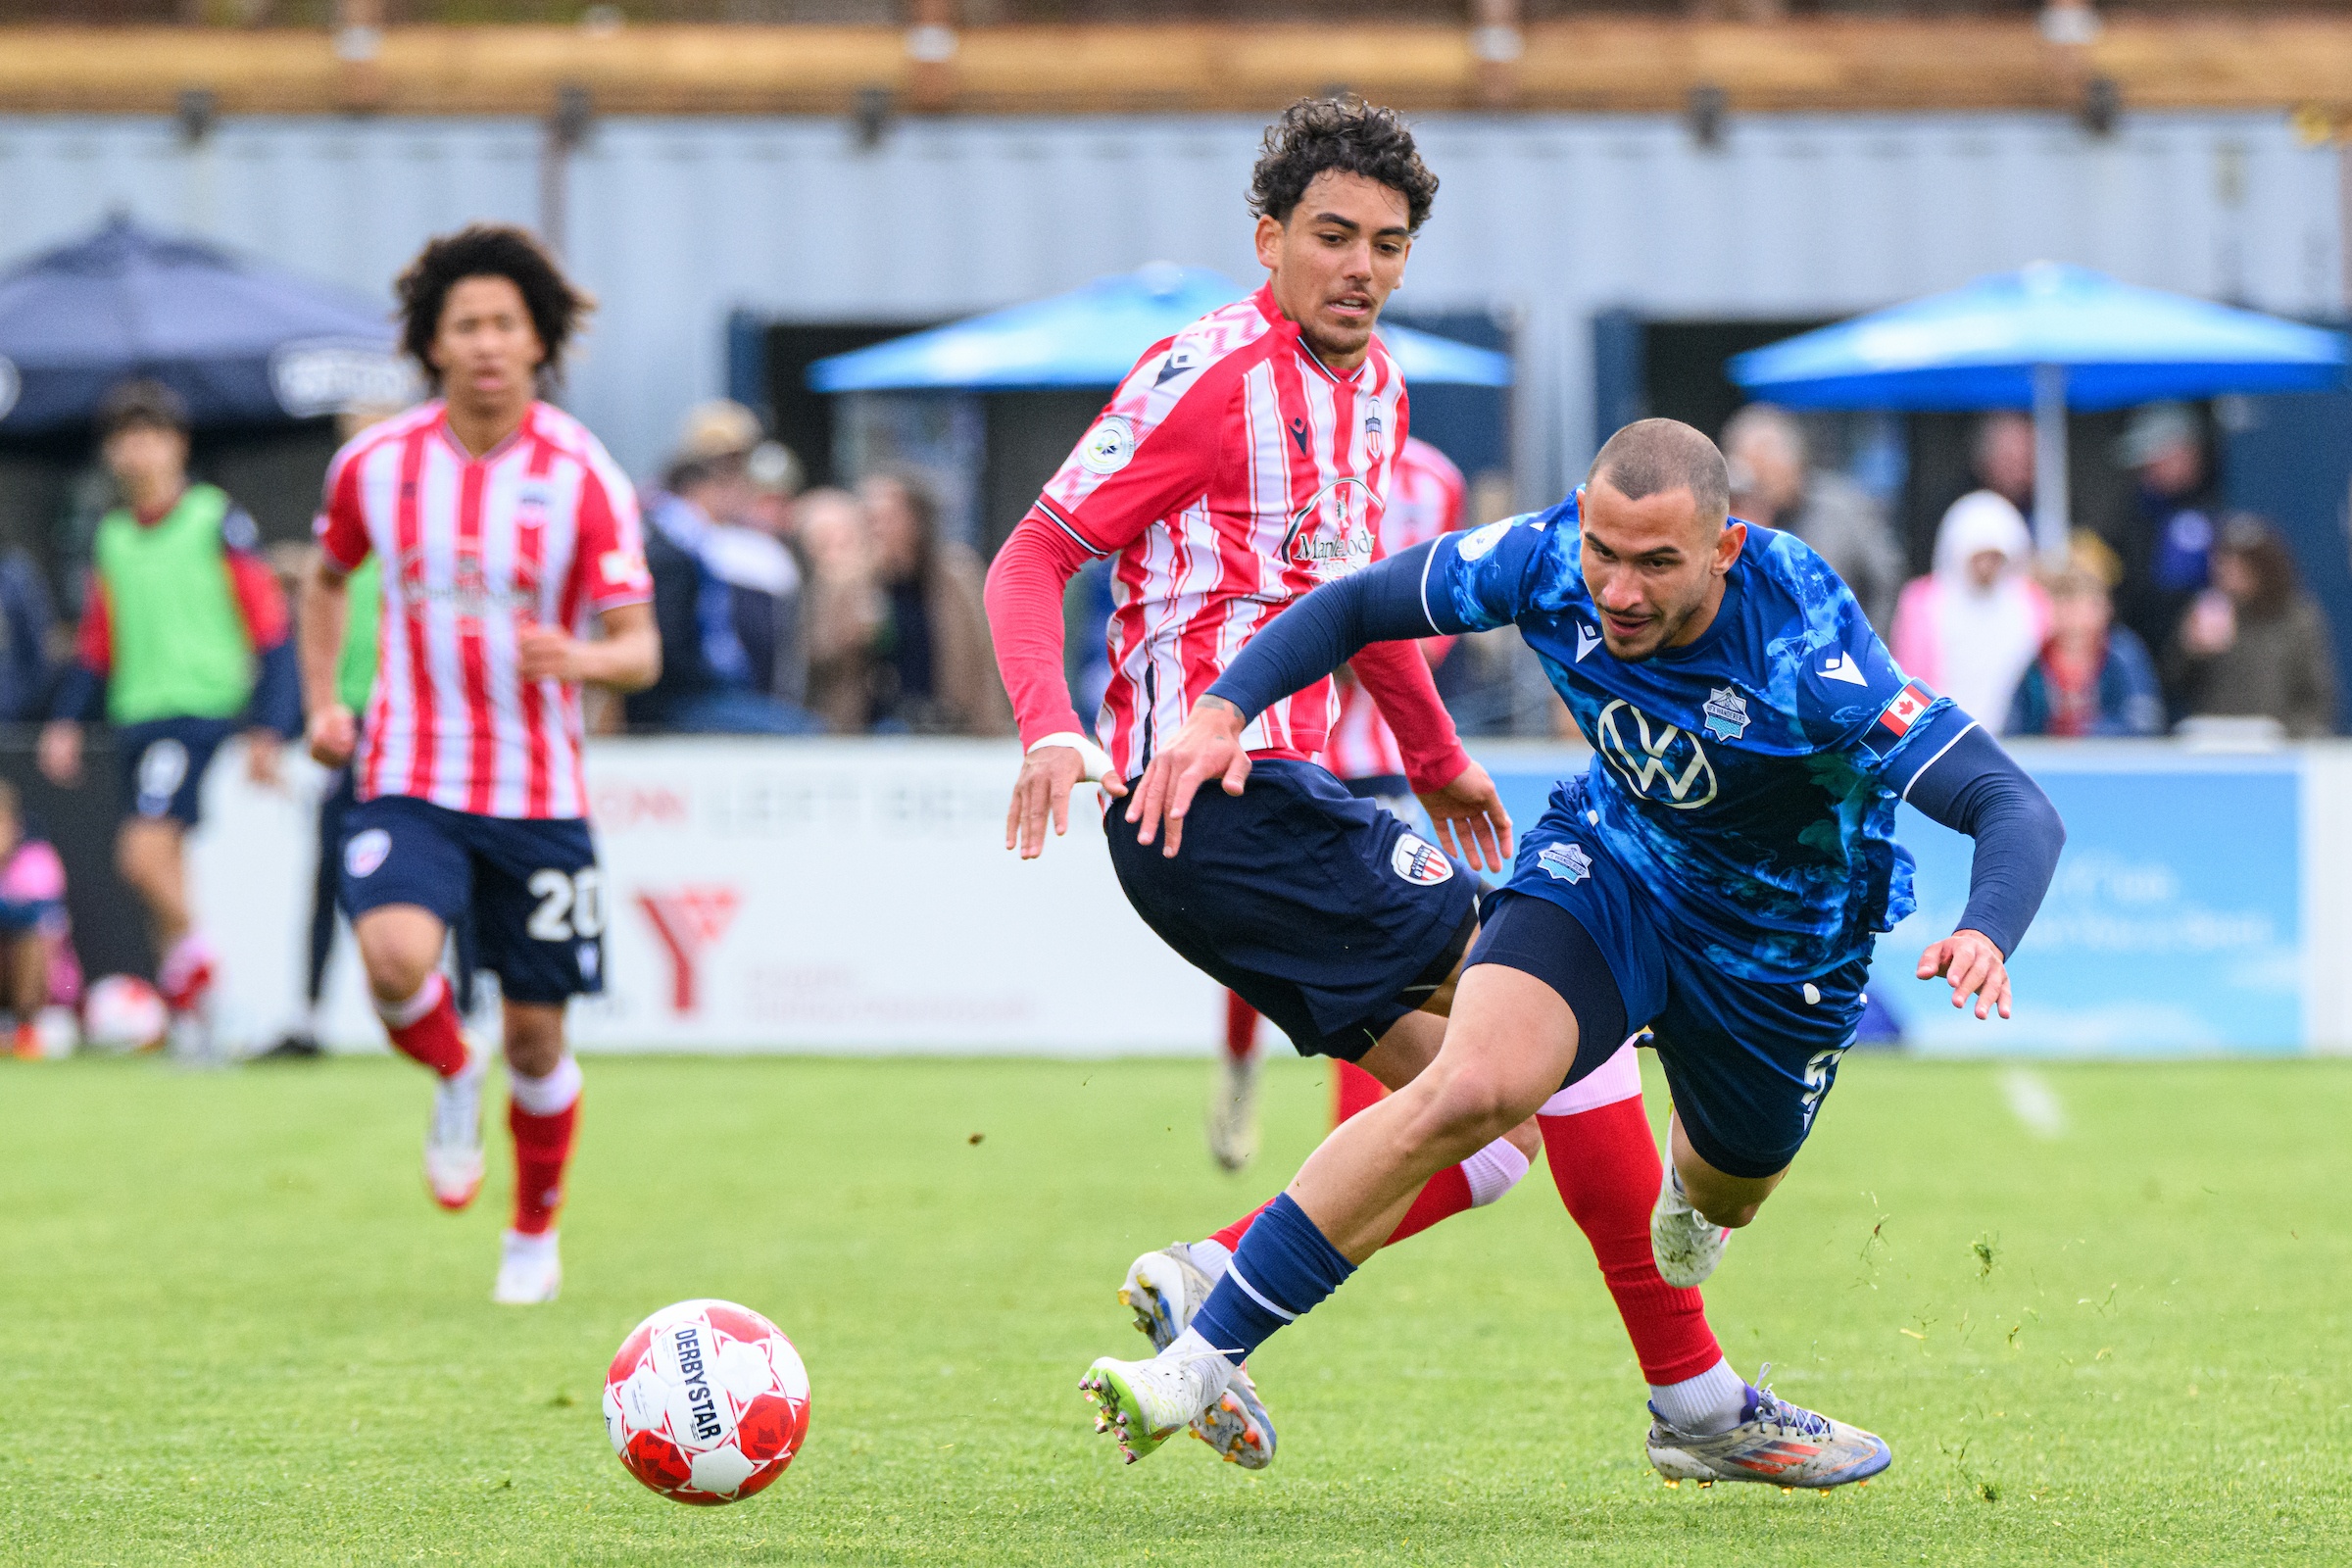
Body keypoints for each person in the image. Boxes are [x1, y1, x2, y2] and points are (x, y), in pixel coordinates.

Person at [991, 99, 1822, 1486]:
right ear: (1268, 239)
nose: (1360, 267)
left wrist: (1433, 756)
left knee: (1492, 1133)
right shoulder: (1207, 379)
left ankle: (1212, 1281)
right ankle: (1695, 1401)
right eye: (1330, 237)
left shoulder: (1376, 393)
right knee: (1569, 1017)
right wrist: (1047, 728)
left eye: (1386, 243)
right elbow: (1032, 556)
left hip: (1298, 800)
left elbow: (1354, 605)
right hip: (1213, 808)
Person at [1085, 418, 2066, 1488]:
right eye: (1605, 552)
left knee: (1725, 1195)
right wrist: (1225, 709)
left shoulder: (1808, 655)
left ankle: (1692, 1248)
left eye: (1657, 564)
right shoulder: (1548, 558)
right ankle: (1199, 1357)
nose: (1620, 590)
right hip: (1610, 872)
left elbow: (2010, 803)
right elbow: (1359, 603)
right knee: (1474, 1090)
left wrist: (1987, 926)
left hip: (1778, 958)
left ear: (1725, 549)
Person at [297, 223, 660, 1304]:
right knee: (397, 962)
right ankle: (454, 1070)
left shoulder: (584, 474)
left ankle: (532, 1233)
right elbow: (322, 580)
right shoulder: (375, 464)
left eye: (508, 323)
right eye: (468, 325)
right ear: (434, 343)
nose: (489, 343)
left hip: (540, 793)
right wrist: (324, 701)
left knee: (540, 1039)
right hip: (408, 770)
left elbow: (640, 648)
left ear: (539, 341)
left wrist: (585, 653)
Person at [1213, 432, 1467, 1172]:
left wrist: (1372, 650)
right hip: (1284, 745)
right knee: (1255, 940)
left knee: (1379, 964)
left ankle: (1348, 1153)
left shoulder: (1433, 476)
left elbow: (1441, 611)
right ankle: (1239, 1069)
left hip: (1379, 759)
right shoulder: (1287, 458)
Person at [37, 378, 300, 1055]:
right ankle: (196, 1031)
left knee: (140, 857)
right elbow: (99, 641)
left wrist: (271, 724)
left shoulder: (215, 520)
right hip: (136, 717)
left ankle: (222, 996)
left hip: (197, 712)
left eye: (149, 436)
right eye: (124, 439)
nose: (137, 453)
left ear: (177, 446)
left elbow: (269, 625)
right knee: (170, 871)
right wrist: (67, 719)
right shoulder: (115, 538)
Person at [626, 436, 817, 735]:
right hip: (675, 704)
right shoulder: (670, 552)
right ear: (702, 489)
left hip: (695, 692)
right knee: (800, 731)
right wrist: (713, 679)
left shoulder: (687, 544)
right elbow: (670, 648)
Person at [1721, 404, 1903, 633]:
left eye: (1766, 469)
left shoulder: (1842, 507)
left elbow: (1885, 579)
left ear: (1794, 462)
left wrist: (1868, 644)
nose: (1761, 483)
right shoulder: (1738, 515)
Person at [856, 469, 1010, 735]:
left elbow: (985, 655)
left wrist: (990, 725)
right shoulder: (852, 582)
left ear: (916, 520)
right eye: (870, 519)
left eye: (886, 518)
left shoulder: (956, 576)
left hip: (947, 727)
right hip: (872, 730)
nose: (876, 527)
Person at [2163, 514, 2337, 738]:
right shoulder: (2209, 609)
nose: (2230, 571)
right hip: (2215, 742)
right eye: (2224, 561)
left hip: (2280, 746)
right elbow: (2174, 684)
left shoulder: (2297, 618)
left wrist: (2290, 734)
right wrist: (2190, 650)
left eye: (2241, 563)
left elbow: (2316, 696)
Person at [1889, 490, 2050, 732]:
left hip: (2017, 739)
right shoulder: (1924, 602)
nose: (1987, 567)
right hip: (1941, 737)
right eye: (1979, 557)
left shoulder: (2031, 603)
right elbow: (1907, 680)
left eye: (1995, 557)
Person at [2099, 402, 2223, 662]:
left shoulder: (2216, 509)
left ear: (2188, 452)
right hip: (2141, 653)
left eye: (2156, 459)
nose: (2148, 471)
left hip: (2201, 667)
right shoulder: (2134, 512)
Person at [2006, 539, 2164, 738]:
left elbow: (2144, 721)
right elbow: (2014, 729)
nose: (2075, 619)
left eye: (2086, 606)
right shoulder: (2037, 662)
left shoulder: (2123, 656)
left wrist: (2084, 733)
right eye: (2066, 604)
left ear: (2105, 609)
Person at [0, 778, 81, 1059]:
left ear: (13, 824)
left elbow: (47, 922)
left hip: (49, 983)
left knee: (33, 932)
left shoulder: (36, 859)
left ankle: (25, 1027)